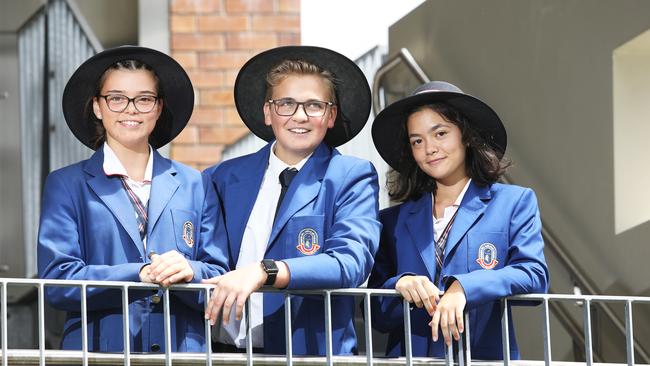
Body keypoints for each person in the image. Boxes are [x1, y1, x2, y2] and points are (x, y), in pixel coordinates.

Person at [37, 46, 228, 352]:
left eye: (144, 99)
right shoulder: (66, 184)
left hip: (180, 351)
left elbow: (219, 275)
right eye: (116, 98)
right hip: (98, 350)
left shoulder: (196, 183)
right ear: (98, 107)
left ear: (158, 107)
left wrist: (192, 272)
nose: (131, 109)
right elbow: (58, 281)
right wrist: (139, 274)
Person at [202, 46, 381, 355]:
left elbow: (350, 261)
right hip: (223, 351)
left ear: (331, 115)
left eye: (314, 105)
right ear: (268, 112)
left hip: (308, 353)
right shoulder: (222, 177)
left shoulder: (351, 175)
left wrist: (265, 271)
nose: (300, 116)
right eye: (286, 103)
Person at [368, 81, 549, 359]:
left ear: (465, 135)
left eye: (440, 133)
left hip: (482, 358)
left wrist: (464, 287)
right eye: (417, 140)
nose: (429, 148)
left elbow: (534, 276)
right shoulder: (392, 220)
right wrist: (398, 285)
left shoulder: (514, 202)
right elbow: (376, 315)